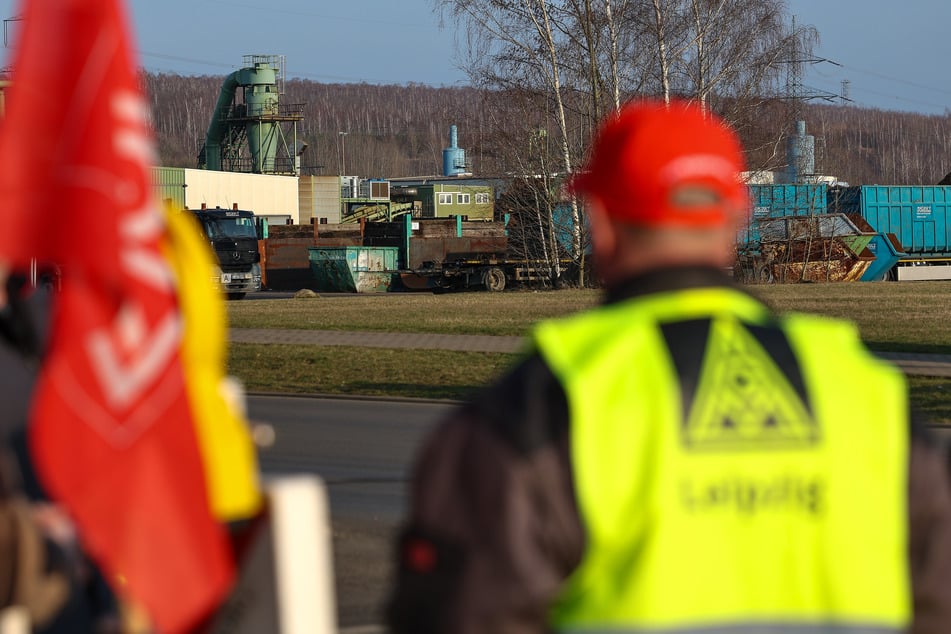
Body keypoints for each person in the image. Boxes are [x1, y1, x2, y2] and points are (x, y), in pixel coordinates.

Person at [385, 99, 951, 634]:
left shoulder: (548, 404)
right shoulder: (865, 391)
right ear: (737, 217)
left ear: (601, 220)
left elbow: (465, 611)